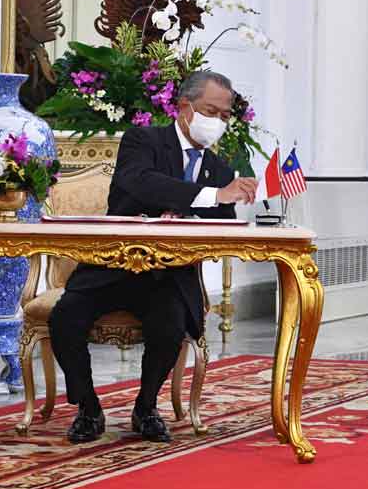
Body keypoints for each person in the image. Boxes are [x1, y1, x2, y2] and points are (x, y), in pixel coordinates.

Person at [49, 71, 258, 444]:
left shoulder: (220, 169)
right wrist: (210, 196)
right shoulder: (143, 140)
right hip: (111, 268)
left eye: (226, 116)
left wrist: (230, 199)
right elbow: (140, 181)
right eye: (212, 111)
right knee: (65, 317)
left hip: (168, 278)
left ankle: (146, 407)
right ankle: (88, 407)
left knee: (170, 324)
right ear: (184, 108)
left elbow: (221, 224)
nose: (219, 122)